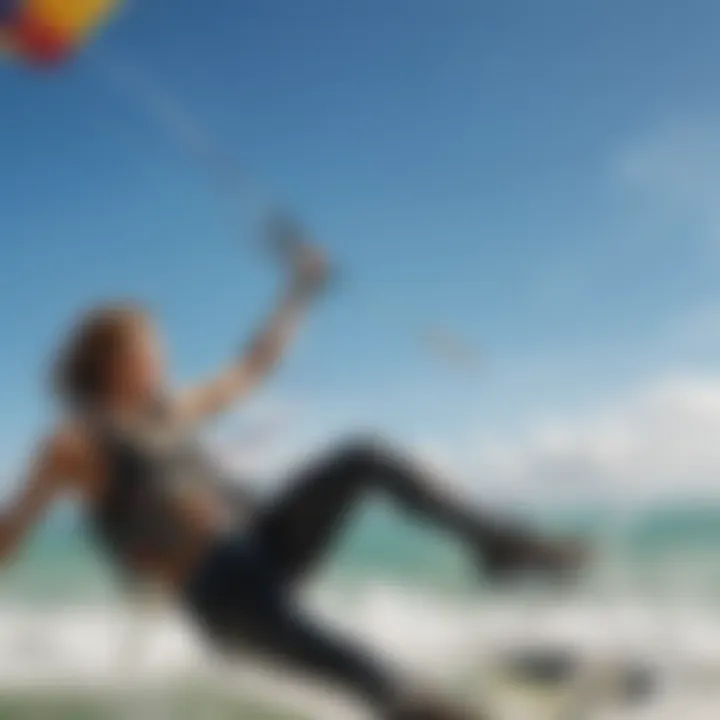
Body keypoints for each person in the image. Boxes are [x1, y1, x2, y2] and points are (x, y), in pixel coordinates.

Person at [0, 228, 584, 720]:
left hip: (263, 542)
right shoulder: (74, 443)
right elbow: (12, 529)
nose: (162, 359)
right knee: (385, 685)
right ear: (111, 359)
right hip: (222, 594)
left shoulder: (169, 413)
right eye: (150, 348)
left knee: (365, 457)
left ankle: (497, 546)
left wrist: (301, 288)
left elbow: (254, 365)